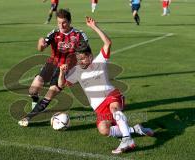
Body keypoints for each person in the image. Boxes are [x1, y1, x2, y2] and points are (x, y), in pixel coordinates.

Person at [58, 17, 154, 154]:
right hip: (99, 108)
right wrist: (62, 73)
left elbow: (108, 43)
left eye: (83, 58)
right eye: (78, 59)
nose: (81, 61)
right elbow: (61, 85)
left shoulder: (99, 61)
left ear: (90, 56)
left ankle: (127, 139)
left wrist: (94, 27)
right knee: (104, 130)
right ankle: (135, 129)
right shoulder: (77, 72)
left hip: (111, 95)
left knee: (115, 109)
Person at [18, 9, 89, 127]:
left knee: (50, 93)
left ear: (70, 21)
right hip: (52, 64)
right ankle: (35, 101)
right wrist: (40, 43)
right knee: (32, 90)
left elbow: (85, 54)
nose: (61, 25)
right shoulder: (54, 33)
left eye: (64, 23)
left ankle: (28, 117)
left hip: (66, 70)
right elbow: (41, 48)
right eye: (59, 22)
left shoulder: (79, 34)